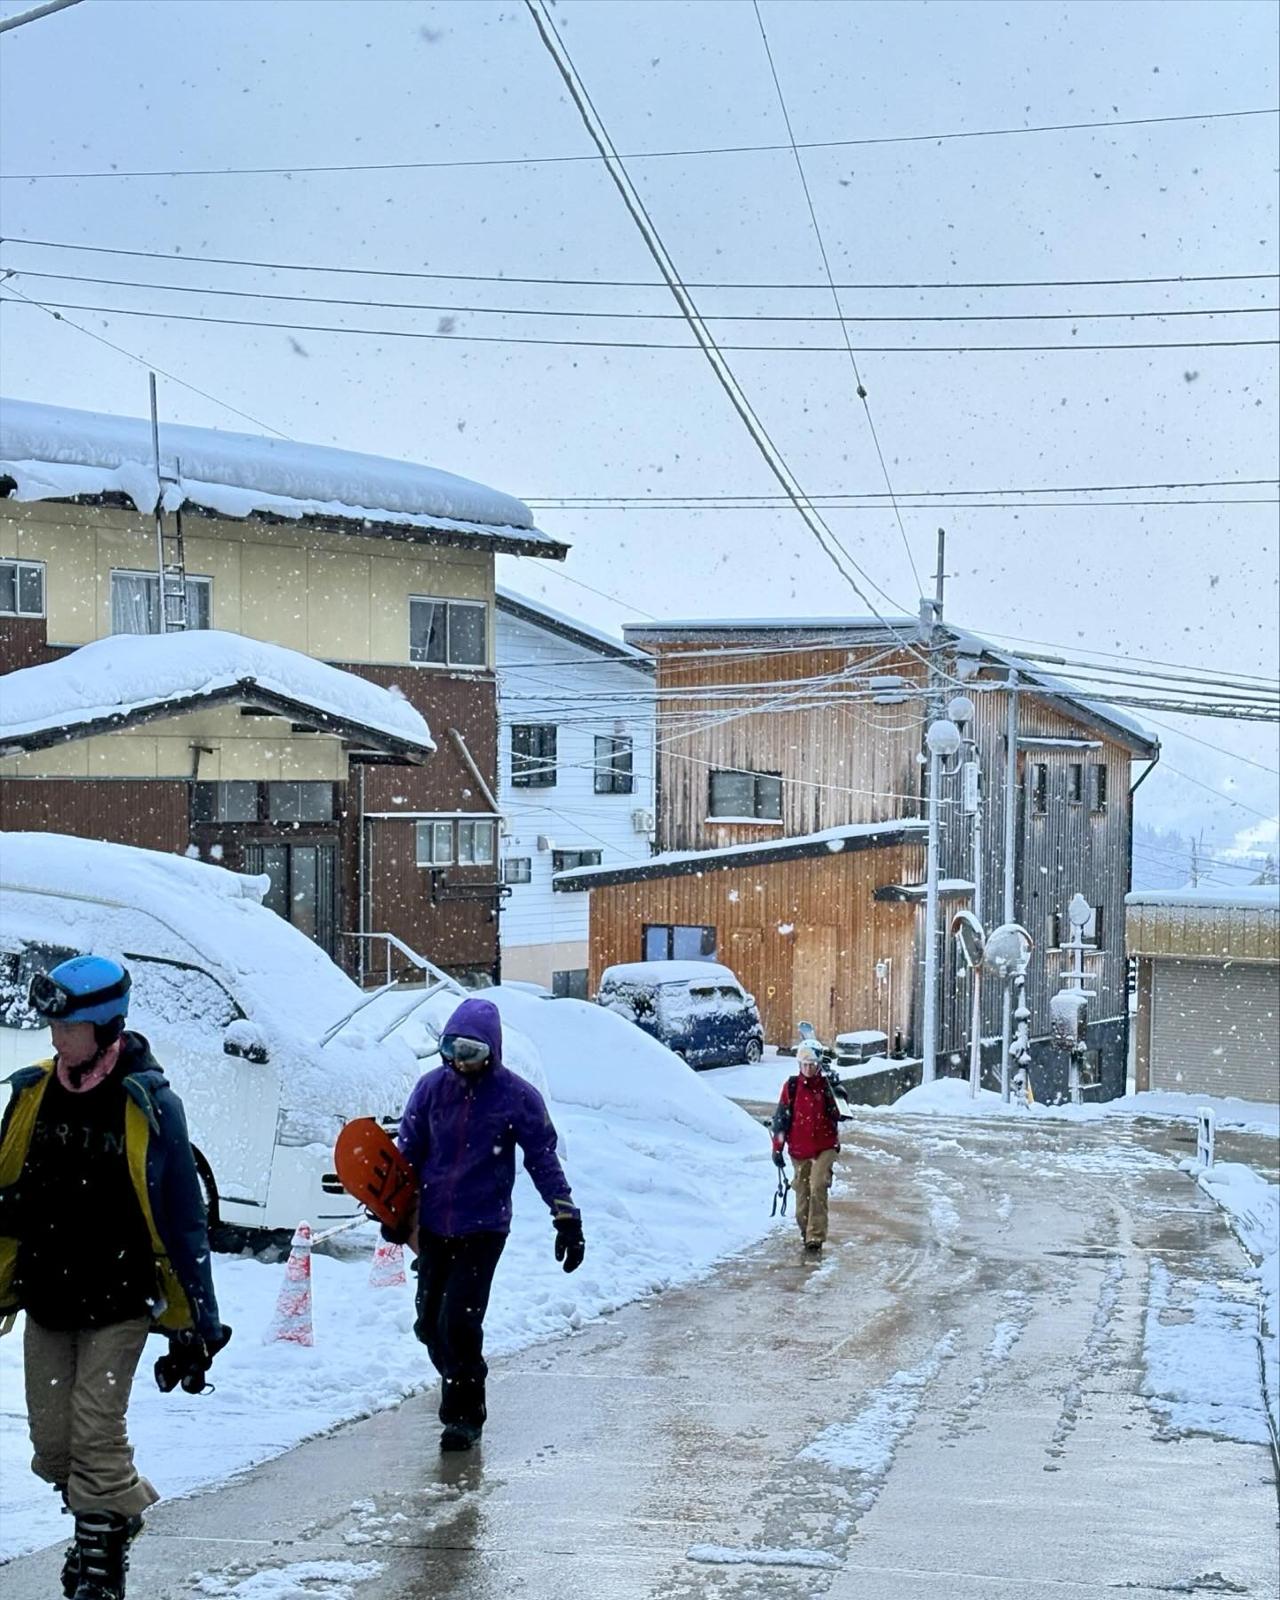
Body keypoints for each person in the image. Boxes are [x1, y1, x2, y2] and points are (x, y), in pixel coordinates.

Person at [0, 955, 227, 1600]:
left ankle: (99, 1572)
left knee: (97, 1434)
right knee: (53, 1448)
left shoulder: (149, 1104)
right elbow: (10, 1187)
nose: (53, 1035)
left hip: (119, 1298)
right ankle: (112, 1520)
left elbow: (184, 1221)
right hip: (47, 1295)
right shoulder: (31, 1093)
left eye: (64, 1025)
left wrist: (197, 1326)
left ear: (103, 1027)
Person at [393, 996, 584, 1453]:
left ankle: (463, 1416)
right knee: (430, 1324)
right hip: (435, 1225)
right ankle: (457, 1369)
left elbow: (543, 1158)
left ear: (492, 1051)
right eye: (452, 1050)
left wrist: (566, 1217)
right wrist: (394, 1211)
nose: (460, 1062)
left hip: (484, 1228)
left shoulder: (516, 1098)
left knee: (459, 1321)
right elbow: (407, 1152)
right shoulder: (430, 1090)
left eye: (471, 1052)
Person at [771, 1041, 842, 1254]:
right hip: (799, 1149)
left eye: (812, 1064)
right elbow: (781, 1119)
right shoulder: (792, 1087)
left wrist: (837, 1092)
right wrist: (777, 1148)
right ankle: (806, 1232)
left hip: (825, 1146)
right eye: (804, 1064)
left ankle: (815, 1237)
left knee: (818, 1185)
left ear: (819, 1064)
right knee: (802, 1194)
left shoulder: (828, 1086)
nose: (808, 1069)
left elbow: (840, 1114)